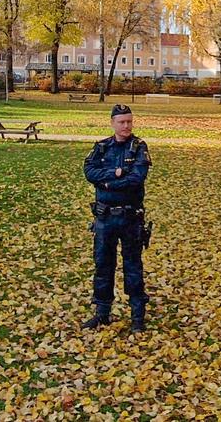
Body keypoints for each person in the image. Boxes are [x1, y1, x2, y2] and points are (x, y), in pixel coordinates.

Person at [81, 103, 153, 332]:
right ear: (112, 123)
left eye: (129, 121)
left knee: (133, 267)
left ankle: (137, 317)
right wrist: (114, 174)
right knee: (103, 266)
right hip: (104, 219)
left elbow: (136, 179)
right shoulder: (101, 147)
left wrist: (107, 183)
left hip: (130, 218)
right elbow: (89, 172)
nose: (126, 126)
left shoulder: (139, 147)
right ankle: (102, 312)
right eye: (122, 122)